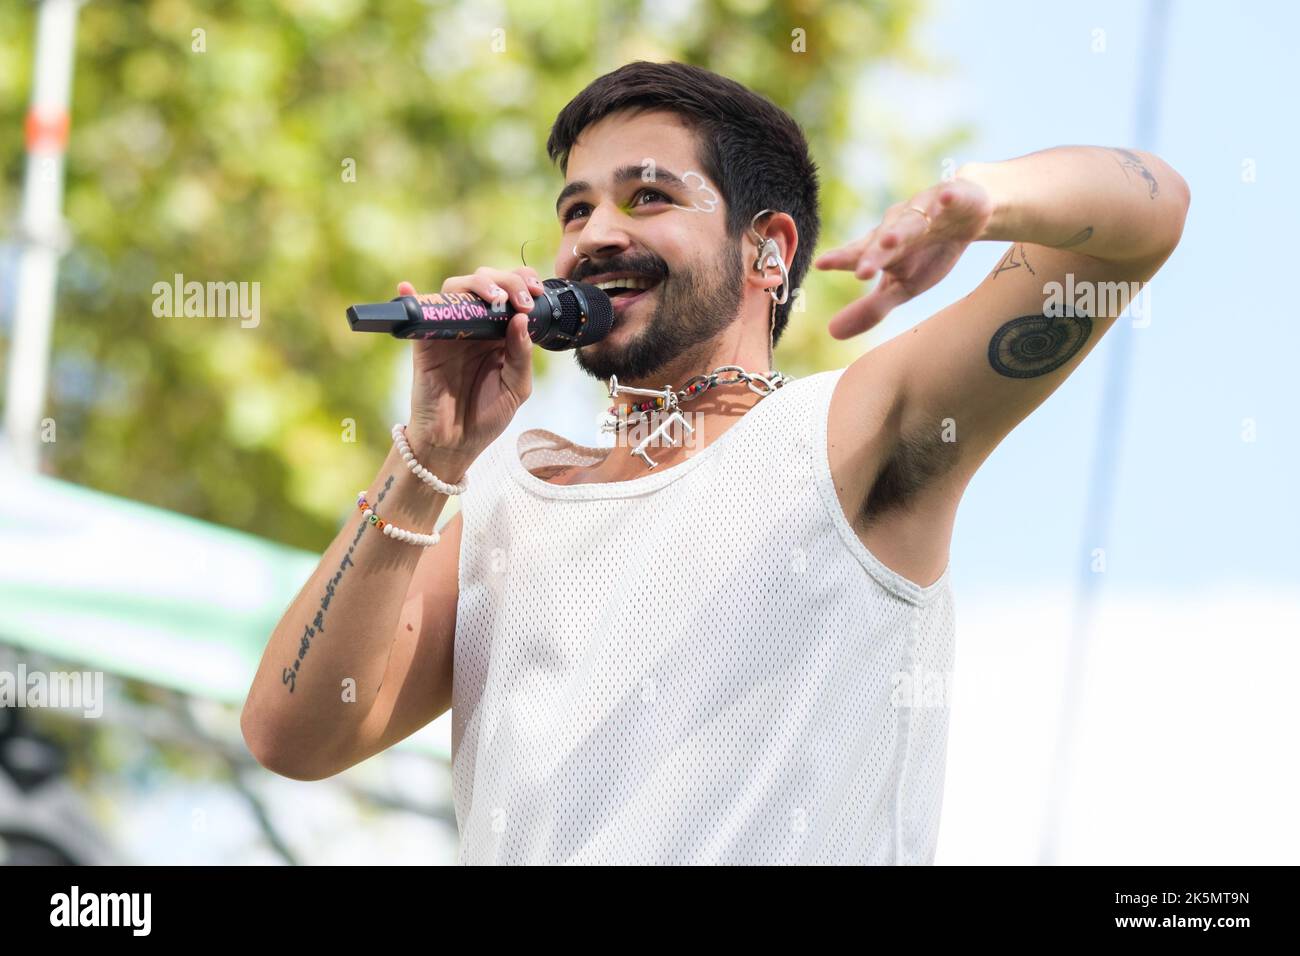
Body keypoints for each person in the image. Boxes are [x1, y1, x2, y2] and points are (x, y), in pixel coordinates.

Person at [241, 60, 1189, 864]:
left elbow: (1148, 214)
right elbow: (293, 735)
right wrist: (433, 454)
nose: (595, 234)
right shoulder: (508, 494)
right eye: (576, 210)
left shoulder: (848, 433)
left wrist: (988, 199)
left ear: (767, 250)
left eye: (646, 196)